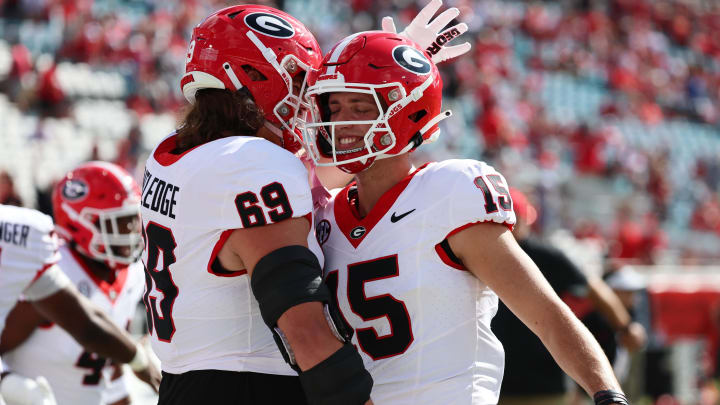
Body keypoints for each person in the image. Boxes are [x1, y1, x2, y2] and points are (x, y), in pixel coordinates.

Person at [140, 2, 471, 404]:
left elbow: (318, 177)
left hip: (184, 383)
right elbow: (305, 330)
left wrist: (394, 72)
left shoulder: (171, 154)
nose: (307, 94)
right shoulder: (254, 163)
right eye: (298, 77)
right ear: (254, 74)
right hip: (250, 386)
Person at [303, 31, 629, 405]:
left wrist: (607, 395)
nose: (342, 122)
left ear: (406, 112)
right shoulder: (324, 215)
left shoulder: (448, 191)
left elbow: (547, 314)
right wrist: (389, 62)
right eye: (335, 107)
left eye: (361, 107)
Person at [1, 162, 147, 405]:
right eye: (119, 222)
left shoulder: (131, 274)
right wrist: (9, 384)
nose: (131, 231)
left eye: (133, 220)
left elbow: (110, 371)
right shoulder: (52, 267)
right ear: (80, 222)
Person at [491, 188, 646, 405]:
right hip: (500, 382)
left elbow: (594, 288)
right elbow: (595, 288)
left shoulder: (544, 255)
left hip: (537, 383)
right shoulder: (538, 254)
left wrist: (625, 327)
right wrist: (625, 327)